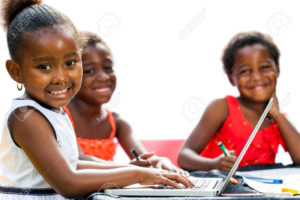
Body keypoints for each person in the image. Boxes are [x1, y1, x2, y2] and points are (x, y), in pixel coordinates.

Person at [0, 0, 193, 199]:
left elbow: (75, 162)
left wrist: (132, 169)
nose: (60, 77)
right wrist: (138, 174)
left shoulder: (54, 112)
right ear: (15, 72)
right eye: (44, 67)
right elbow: (68, 182)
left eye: (70, 62)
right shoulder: (27, 117)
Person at [65, 31, 186, 174]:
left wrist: (159, 161)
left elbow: (144, 159)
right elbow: (79, 160)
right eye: (90, 71)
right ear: (70, 75)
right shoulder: (62, 116)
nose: (103, 77)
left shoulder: (116, 122)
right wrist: (130, 169)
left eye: (108, 68)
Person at [178, 31, 300, 172]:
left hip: (256, 191)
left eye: (265, 67)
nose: (256, 77)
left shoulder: (278, 119)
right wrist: (213, 164)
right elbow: (184, 156)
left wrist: (276, 113)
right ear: (231, 78)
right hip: (222, 188)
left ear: (277, 70)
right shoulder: (222, 108)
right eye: (245, 71)